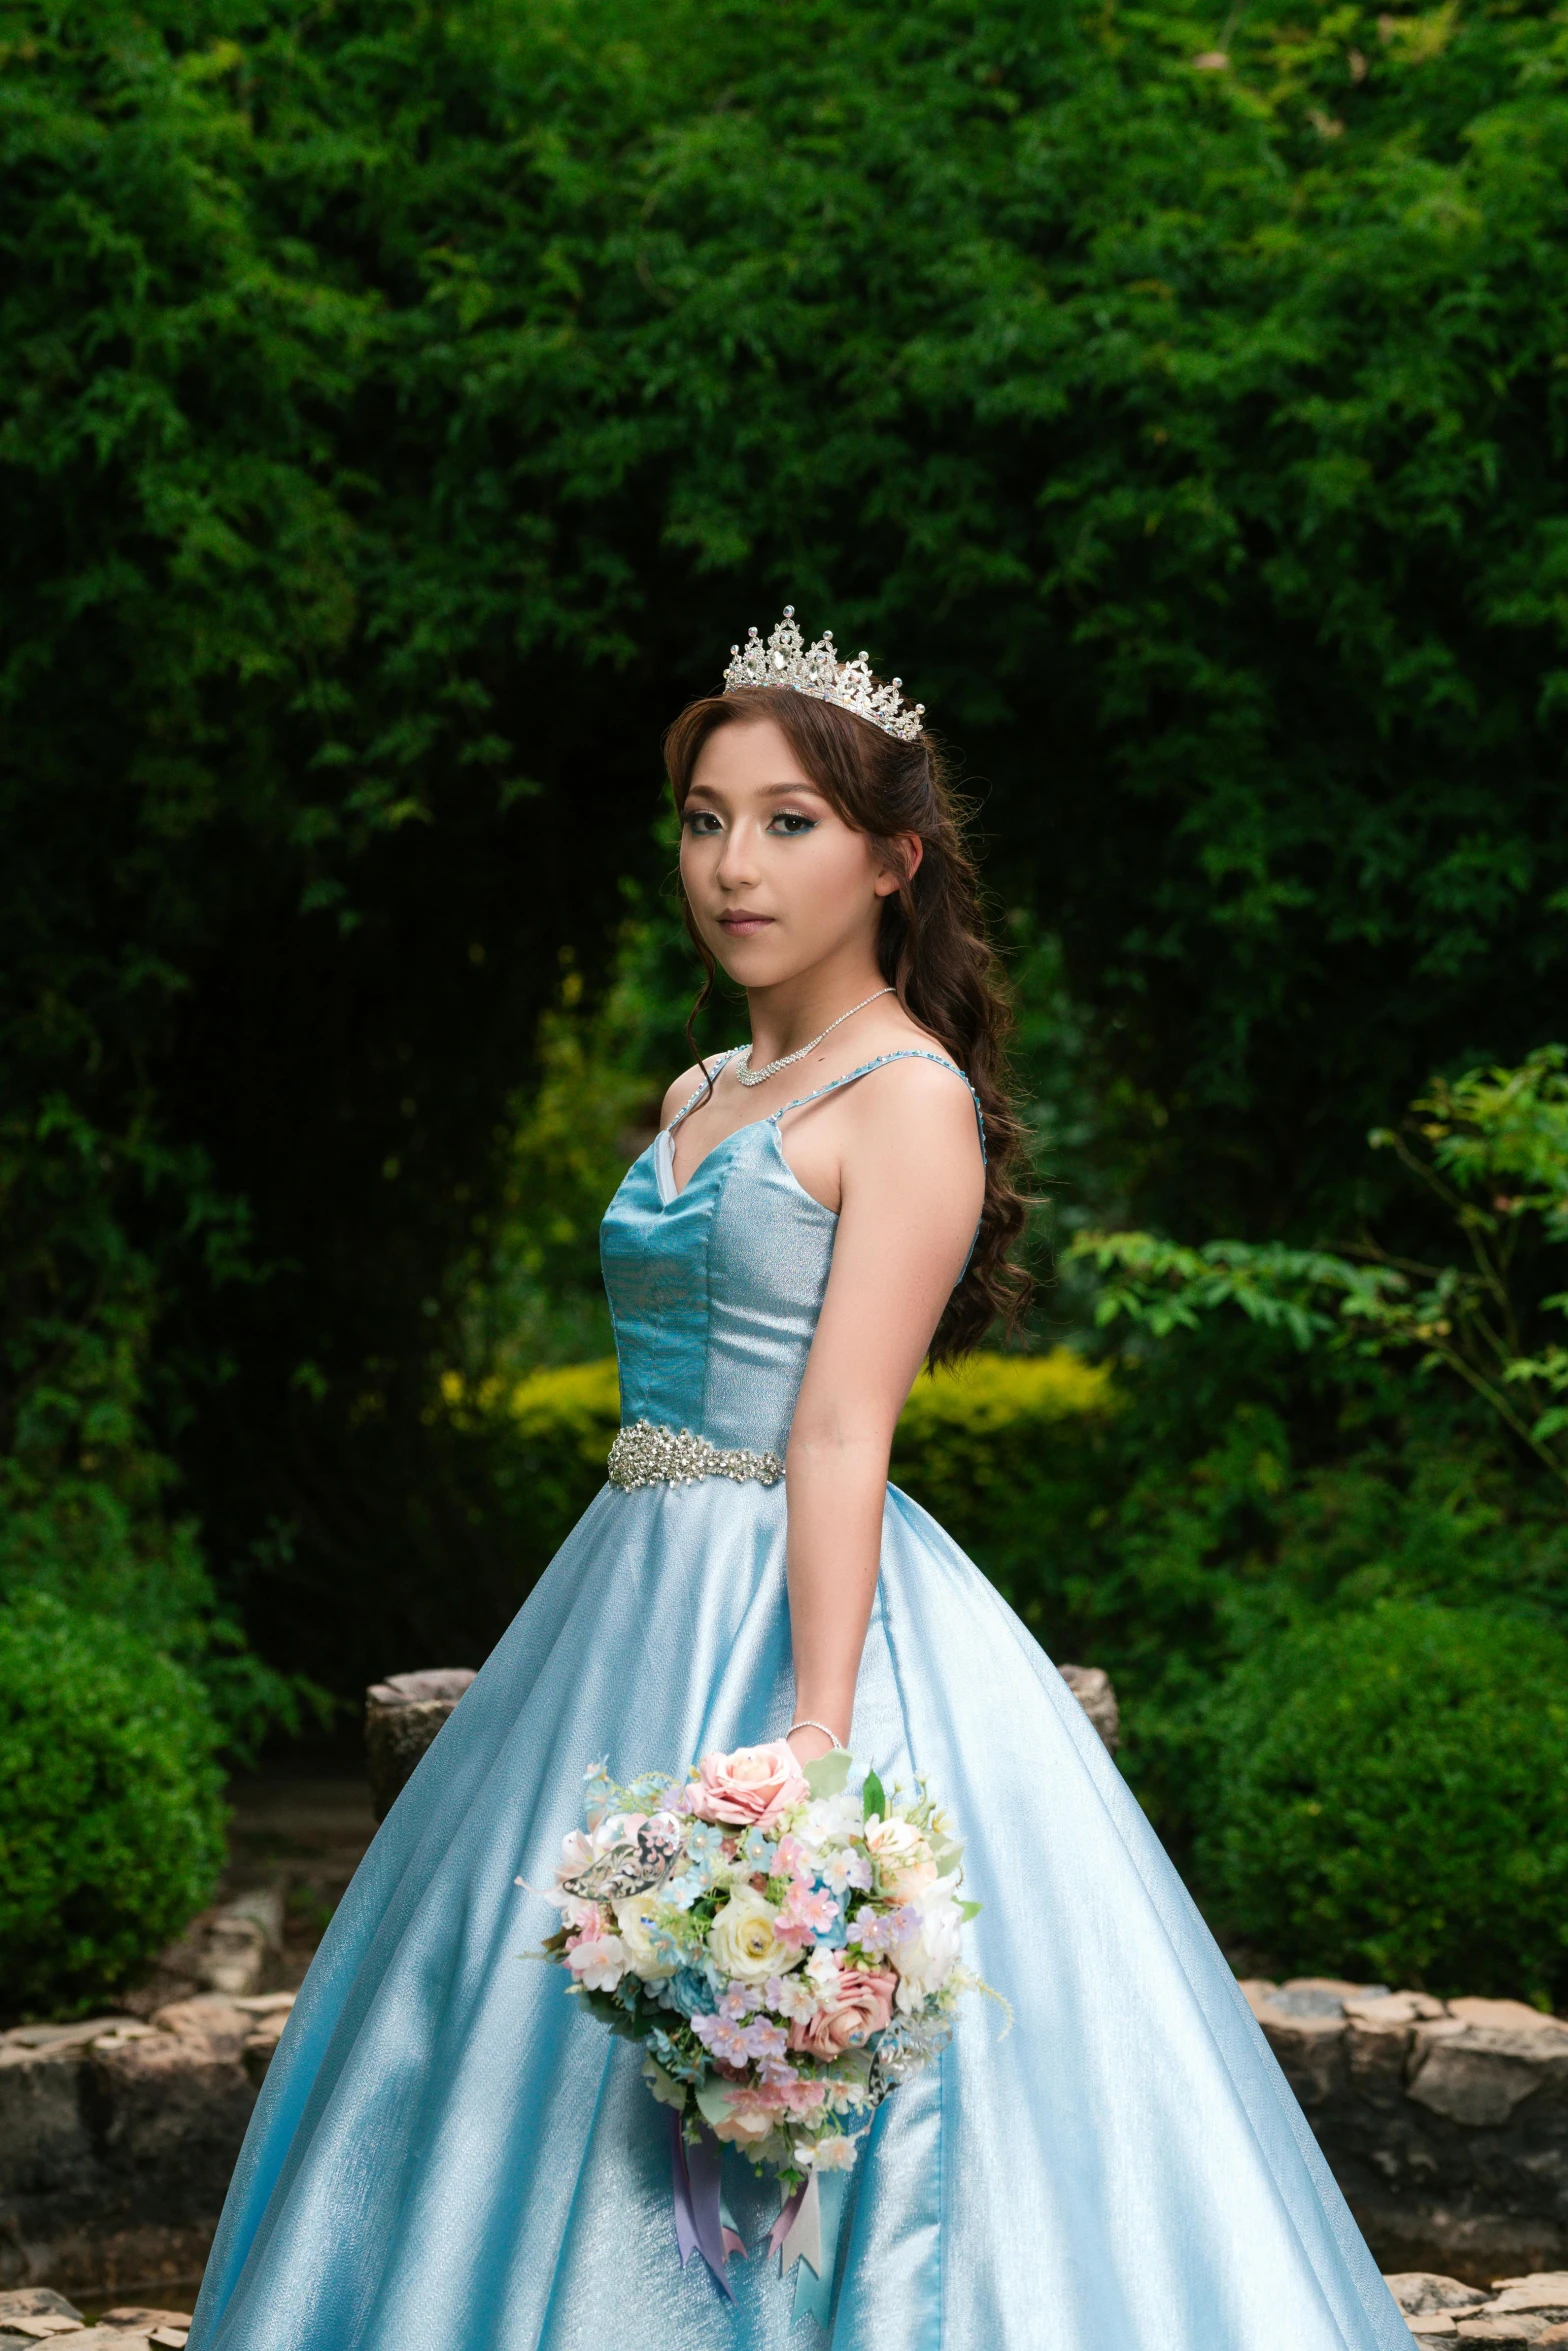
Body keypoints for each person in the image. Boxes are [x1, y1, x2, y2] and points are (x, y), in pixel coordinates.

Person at [186, 613, 1410, 2350]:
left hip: (799, 1603)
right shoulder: (709, 1081)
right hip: (621, 1580)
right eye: (704, 818)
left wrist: (818, 1741)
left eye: (788, 821)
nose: (733, 862)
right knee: (502, 2004)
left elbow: (841, 1429)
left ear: (894, 857)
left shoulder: (909, 1098)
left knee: (818, 2029)